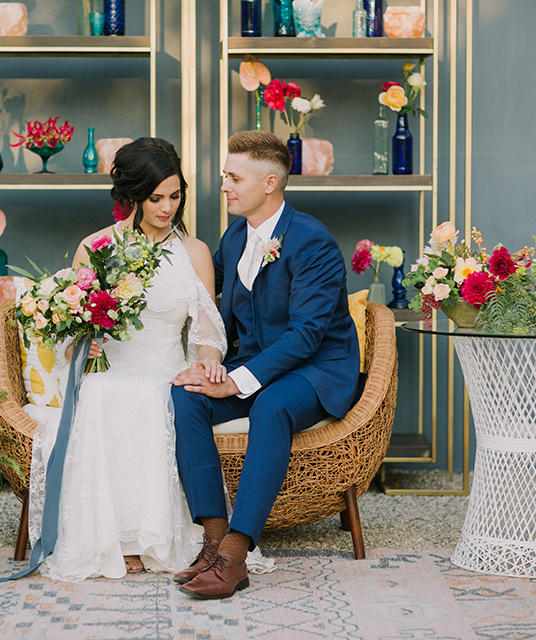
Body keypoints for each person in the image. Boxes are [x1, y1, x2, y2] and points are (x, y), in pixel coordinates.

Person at [24, 137, 229, 581]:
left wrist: (209, 361)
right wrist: (86, 344)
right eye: (156, 198)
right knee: (105, 392)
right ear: (133, 195)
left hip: (168, 365)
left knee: (159, 394)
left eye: (175, 196)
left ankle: (152, 537)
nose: (167, 207)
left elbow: (207, 329)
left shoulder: (194, 252)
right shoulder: (96, 247)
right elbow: (69, 324)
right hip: (110, 368)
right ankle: (115, 539)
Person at [171, 130, 363, 599]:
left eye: (234, 177)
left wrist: (235, 381)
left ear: (271, 182)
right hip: (255, 363)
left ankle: (236, 556)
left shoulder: (312, 241)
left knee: (271, 406)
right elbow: (208, 301)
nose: (224, 186)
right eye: (224, 177)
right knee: (185, 393)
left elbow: (306, 335)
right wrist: (211, 364)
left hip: (317, 368)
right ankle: (213, 540)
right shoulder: (235, 235)